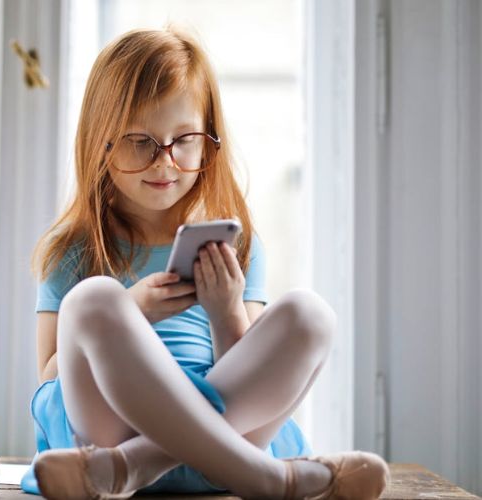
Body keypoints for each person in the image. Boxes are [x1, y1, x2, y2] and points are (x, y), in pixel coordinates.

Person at [20, 26, 390, 499]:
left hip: (173, 454)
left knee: (311, 314)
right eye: (141, 141)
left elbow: (252, 369)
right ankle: (272, 480)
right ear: (102, 142)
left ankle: (137, 466)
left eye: (184, 140)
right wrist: (130, 311)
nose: (165, 162)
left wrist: (226, 312)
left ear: (208, 141)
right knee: (91, 301)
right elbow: (52, 376)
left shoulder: (234, 246)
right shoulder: (73, 248)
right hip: (110, 432)